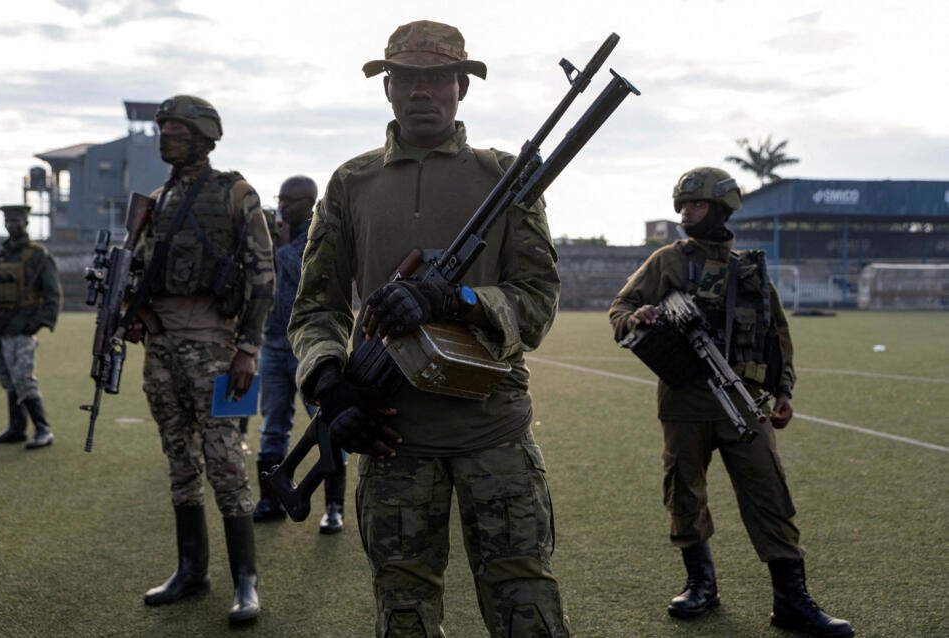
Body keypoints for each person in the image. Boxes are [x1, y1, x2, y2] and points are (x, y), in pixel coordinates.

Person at [289, 20, 570, 637]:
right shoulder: (350, 183)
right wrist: (330, 384)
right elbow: (316, 307)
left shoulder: (507, 176)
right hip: (393, 437)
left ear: (461, 88)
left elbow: (537, 303)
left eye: (439, 77)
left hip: (493, 431)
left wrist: (457, 298)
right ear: (387, 87)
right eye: (407, 78)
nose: (422, 91)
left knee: (526, 605)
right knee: (404, 611)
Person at [608, 167, 854, 638]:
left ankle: (791, 601)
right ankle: (700, 585)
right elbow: (620, 308)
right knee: (684, 492)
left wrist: (784, 391)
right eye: (682, 206)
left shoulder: (749, 268)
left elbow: (776, 334)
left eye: (696, 205)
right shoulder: (667, 260)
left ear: (721, 209)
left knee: (769, 494)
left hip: (745, 402)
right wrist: (638, 317)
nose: (686, 214)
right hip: (684, 400)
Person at [132, 95, 275, 624]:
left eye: (176, 130)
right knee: (179, 459)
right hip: (162, 349)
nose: (165, 137)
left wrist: (248, 349)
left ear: (203, 136)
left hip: (219, 349)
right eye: (163, 129)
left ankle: (246, 582)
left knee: (225, 460)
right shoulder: (156, 200)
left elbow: (263, 276)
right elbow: (139, 271)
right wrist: (134, 313)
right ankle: (191, 570)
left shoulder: (236, 193)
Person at [252, 175, 347, 534]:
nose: (282, 206)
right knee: (272, 427)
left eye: (289, 201)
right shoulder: (275, 236)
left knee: (329, 426)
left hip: (309, 350)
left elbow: (309, 281)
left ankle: (333, 508)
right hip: (272, 347)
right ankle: (270, 500)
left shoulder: (318, 235)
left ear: (309, 203)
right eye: (280, 199)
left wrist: (282, 248)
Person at [0, 205, 61, 449]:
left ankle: (43, 429)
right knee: (9, 380)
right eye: (7, 220)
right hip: (1, 328)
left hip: (23, 327)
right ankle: (16, 428)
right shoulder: (2, 255)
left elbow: (53, 293)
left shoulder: (38, 255)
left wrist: (40, 323)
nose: (11, 225)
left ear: (25, 222)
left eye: (15, 220)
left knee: (23, 379)